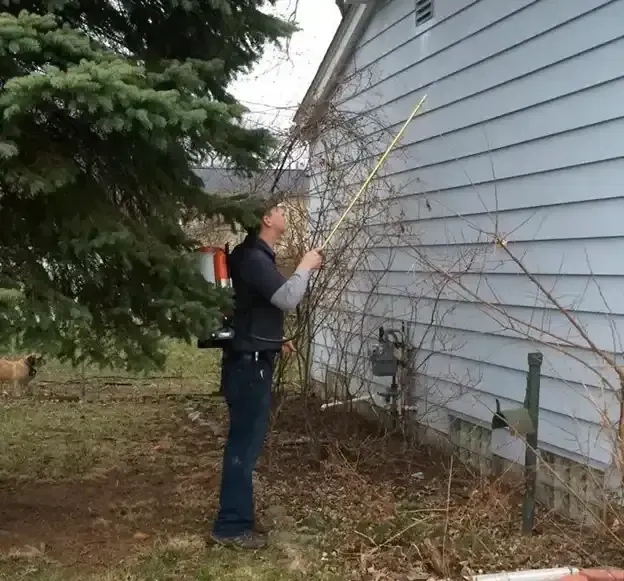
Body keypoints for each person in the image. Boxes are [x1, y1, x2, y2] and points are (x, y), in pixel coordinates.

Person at [210, 201, 323, 549]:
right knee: (243, 445)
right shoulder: (253, 258)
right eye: (279, 209)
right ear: (266, 219)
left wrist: (275, 340)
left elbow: (253, 309)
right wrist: (305, 265)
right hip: (248, 366)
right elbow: (287, 298)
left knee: (245, 443)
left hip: (252, 356)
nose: (284, 213)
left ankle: (237, 519)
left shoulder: (253, 256)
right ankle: (231, 527)